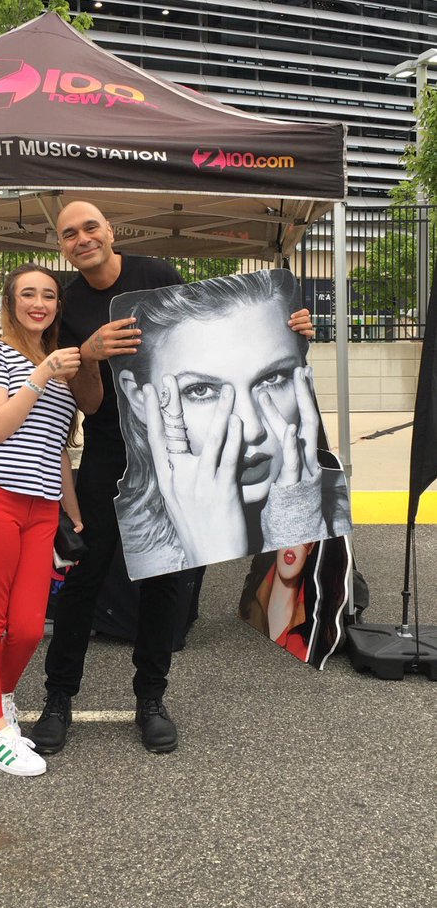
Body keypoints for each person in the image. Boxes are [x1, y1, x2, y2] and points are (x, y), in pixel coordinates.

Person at [29, 204, 315, 756]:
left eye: (90, 228)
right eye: (70, 234)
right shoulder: (67, 304)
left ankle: (151, 698)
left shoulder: (155, 277)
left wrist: (290, 330)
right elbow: (88, 403)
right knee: (83, 582)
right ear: (61, 246)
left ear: (111, 230)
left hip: (175, 447)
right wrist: (88, 357)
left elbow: (214, 339)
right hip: (111, 451)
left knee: (165, 579)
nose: (82, 239)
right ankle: (58, 699)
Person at [110, 269, 351, 579]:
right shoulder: (140, 554)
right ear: (140, 399)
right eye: (200, 390)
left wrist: (297, 514)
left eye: (272, 378)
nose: (252, 429)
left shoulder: (334, 509)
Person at [0, 263, 82, 777]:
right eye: (27, 293)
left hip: (42, 507)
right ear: (10, 301)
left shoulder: (60, 369)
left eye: (48, 295)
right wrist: (42, 373)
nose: (39, 302)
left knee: (28, 627)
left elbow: (58, 450)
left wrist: (73, 516)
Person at [239, 534, 351, 669]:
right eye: (288, 532)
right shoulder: (251, 603)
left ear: (311, 547)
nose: (292, 544)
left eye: (303, 536)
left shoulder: (308, 634)